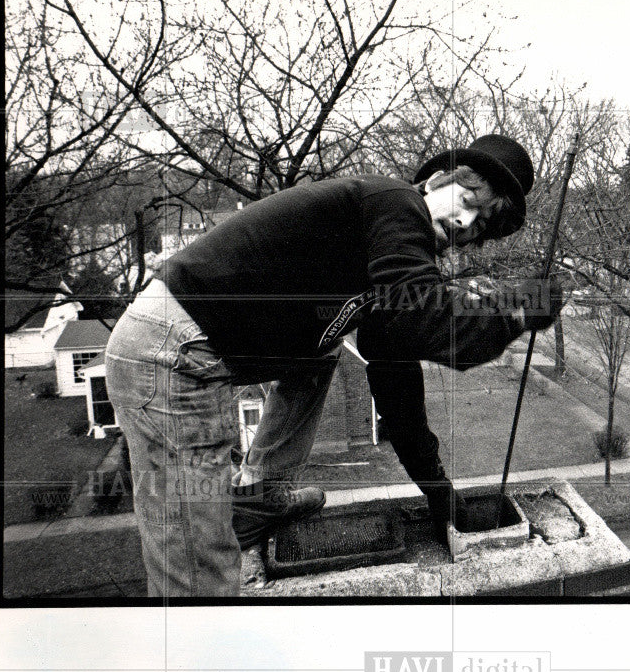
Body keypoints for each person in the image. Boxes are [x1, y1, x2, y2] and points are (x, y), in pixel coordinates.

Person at [105, 134, 565, 597]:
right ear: (435, 180)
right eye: (467, 199)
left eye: (481, 223)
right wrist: (516, 313)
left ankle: (259, 498)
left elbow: (394, 372)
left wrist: (437, 489)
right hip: (169, 354)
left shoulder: (391, 256)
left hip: (195, 348)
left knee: (320, 353)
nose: (466, 221)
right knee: (197, 567)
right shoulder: (395, 200)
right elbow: (431, 323)